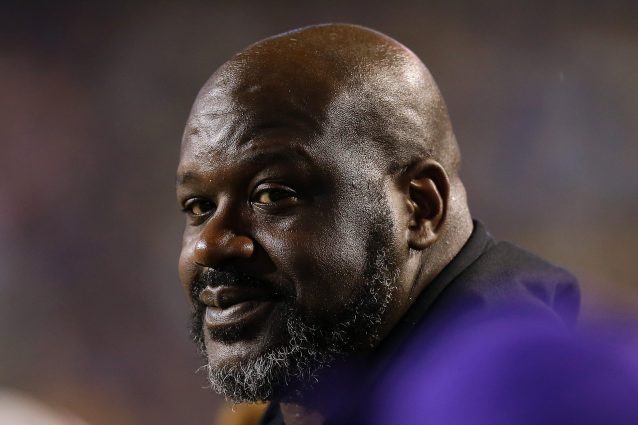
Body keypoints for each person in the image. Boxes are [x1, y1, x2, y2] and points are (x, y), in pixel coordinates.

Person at [176, 23, 579, 425]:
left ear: (419, 208)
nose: (208, 245)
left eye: (272, 195)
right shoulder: (351, 381)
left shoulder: (524, 399)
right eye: (199, 206)